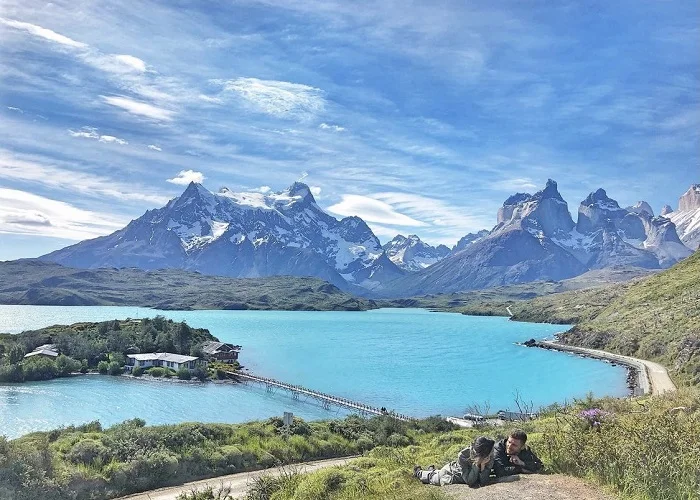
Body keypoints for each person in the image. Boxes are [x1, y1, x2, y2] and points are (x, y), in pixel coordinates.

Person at [413, 436, 495, 487]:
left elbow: (484, 481)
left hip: (456, 472)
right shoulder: (463, 455)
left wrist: (483, 466)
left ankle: (432, 470)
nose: (489, 457)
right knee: (432, 478)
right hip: (450, 474)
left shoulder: (488, 454)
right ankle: (419, 472)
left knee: (435, 473)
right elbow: (470, 481)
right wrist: (477, 465)